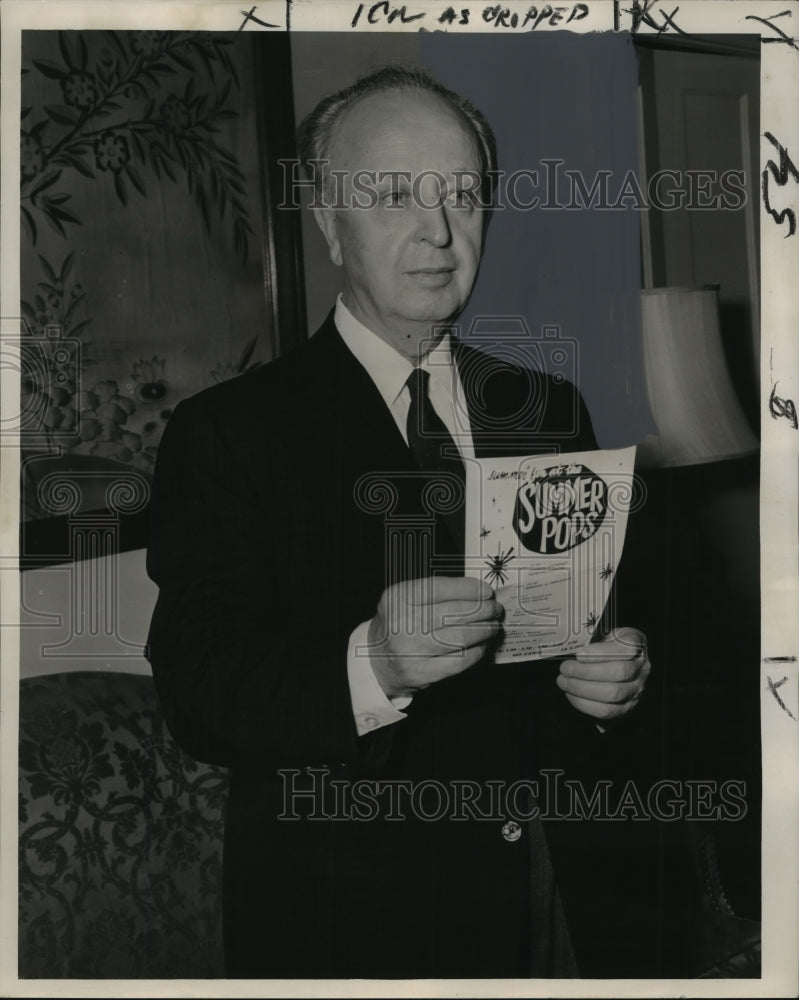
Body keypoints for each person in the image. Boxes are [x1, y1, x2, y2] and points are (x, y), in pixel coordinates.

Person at [146, 65, 657, 979]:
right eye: (391, 194)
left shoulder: (547, 410)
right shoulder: (228, 432)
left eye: (463, 195)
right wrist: (371, 662)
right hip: (353, 919)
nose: (438, 230)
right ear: (329, 224)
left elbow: (580, 632)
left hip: (557, 888)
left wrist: (609, 685)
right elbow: (199, 690)